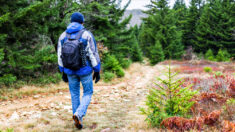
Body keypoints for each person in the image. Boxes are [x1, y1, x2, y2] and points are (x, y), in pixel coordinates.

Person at [57, 12, 101, 129]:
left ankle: (78, 120)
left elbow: (59, 55)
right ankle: (78, 114)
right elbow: (93, 53)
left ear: (71, 21)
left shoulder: (63, 35)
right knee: (88, 92)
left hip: (69, 71)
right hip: (84, 70)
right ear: (82, 22)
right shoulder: (86, 34)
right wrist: (97, 70)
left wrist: (63, 71)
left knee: (74, 94)